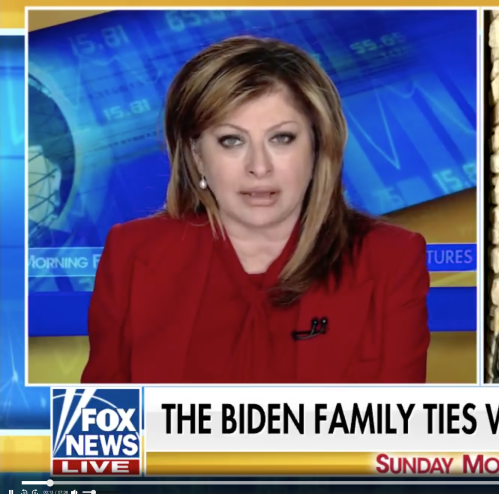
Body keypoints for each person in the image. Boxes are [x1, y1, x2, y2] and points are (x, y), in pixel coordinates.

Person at [81, 36, 431, 384]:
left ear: (318, 146)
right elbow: (99, 430)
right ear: (197, 155)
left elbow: (399, 431)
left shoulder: (391, 259)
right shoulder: (132, 254)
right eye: (231, 141)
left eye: (282, 138)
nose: (259, 167)